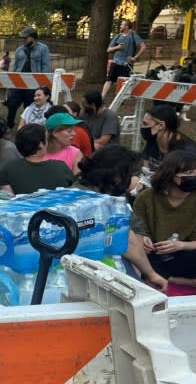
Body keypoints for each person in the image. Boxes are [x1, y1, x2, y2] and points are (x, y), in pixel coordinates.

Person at [75, 145, 166, 290]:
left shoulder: (86, 190)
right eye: (129, 174)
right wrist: (150, 274)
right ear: (117, 177)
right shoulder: (99, 203)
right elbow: (126, 241)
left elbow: (135, 227)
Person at [132, 150, 196, 287]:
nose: (194, 176)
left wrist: (181, 245)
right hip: (155, 255)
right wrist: (143, 238)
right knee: (135, 256)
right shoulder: (146, 198)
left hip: (185, 252)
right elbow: (136, 228)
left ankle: (174, 280)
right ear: (172, 174)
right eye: (190, 173)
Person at [0, 124, 75, 195]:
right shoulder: (61, 167)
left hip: (25, 209)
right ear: (41, 145)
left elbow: (9, 199)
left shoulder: (7, 168)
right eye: (46, 139)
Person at [6, 27, 50, 127]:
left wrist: (42, 83)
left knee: (29, 105)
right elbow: (15, 66)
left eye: (26, 37)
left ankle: (27, 127)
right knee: (12, 105)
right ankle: (9, 125)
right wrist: (11, 82)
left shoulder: (43, 48)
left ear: (33, 37)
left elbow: (45, 65)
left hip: (33, 84)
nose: (24, 40)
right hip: (18, 83)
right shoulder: (19, 50)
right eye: (23, 38)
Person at [140, 104, 196, 173]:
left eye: (145, 124)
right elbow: (145, 170)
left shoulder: (188, 152)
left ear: (161, 125)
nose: (142, 127)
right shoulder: (153, 140)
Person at [101, 19, 145, 100]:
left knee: (123, 82)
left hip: (125, 63)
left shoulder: (132, 35)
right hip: (115, 62)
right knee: (109, 80)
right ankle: (102, 98)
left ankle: (120, 99)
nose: (120, 26)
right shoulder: (117, 36)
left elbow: (143, 46)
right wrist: (117, 47)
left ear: (127, 26)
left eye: (122, 25)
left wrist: (135, 57)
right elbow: (108, 50)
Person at [42, 109, 84, 173]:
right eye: (69, 131)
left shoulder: (75, 154)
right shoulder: (38, 153)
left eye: (73, 130)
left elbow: (77, 181)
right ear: (55, 133)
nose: (74, 134)